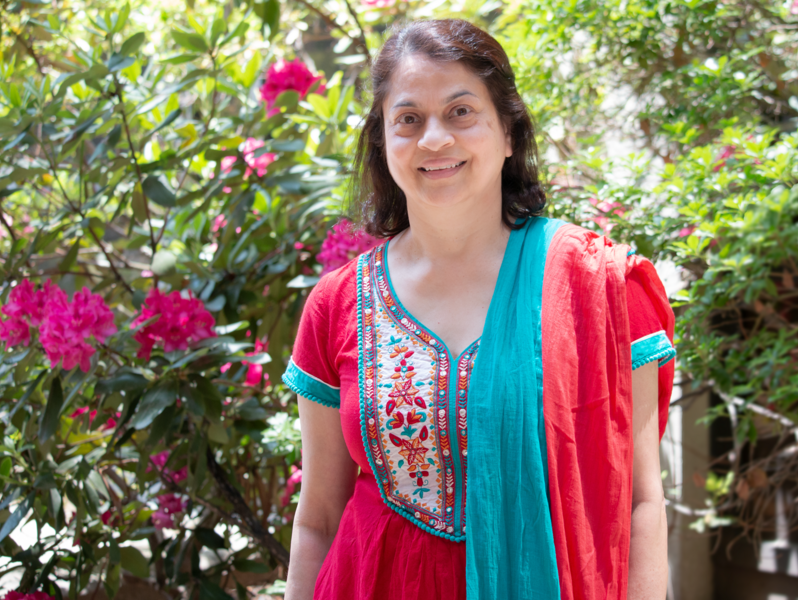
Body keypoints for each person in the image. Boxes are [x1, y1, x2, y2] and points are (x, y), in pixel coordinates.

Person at [282, 19, 674, 600]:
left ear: (509, 132)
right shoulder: (337, 304)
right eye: (408, 120)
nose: (434, 139)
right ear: (383, 142)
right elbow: (317, 518)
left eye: (461, 112)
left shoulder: (600, 287)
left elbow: (641, 501)